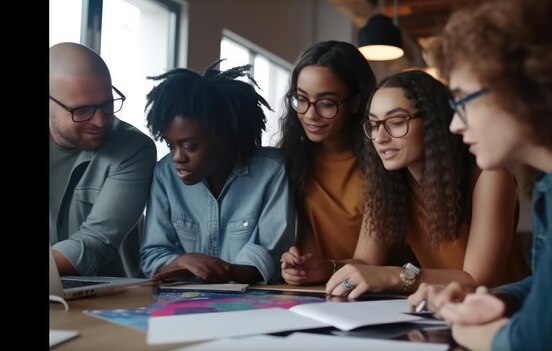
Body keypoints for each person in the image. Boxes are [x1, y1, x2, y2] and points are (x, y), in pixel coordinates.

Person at [407, 0, 552, 350]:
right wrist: (501, 299)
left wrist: (474, 335)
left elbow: (539, 343)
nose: (455, 124)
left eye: (462, 101)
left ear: (524, 88)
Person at [324, 70, 529, 299]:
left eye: (396, 122)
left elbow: (478, 279)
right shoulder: (389, 183)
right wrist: (324, 268)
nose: (380, 137)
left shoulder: (490, 176)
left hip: (506, 315)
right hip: (441, 311)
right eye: (373, 124)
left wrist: (393, 276)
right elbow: (365, 263)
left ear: (433, 123)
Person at [140, 62, 295, 284]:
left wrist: (223, 271)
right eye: (170, 144)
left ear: (223, 139)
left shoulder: (272, 170)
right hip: (181, 306)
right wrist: (181, 262)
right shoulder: (165, 174)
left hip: (252, 306)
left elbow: (273, 255)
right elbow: (153, 256)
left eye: (189, 146)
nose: (177, 157)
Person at [49, 42, 156, 277]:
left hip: (111, 301)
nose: (99, 121)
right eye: (82, 110)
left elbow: (95, 242)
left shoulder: (134, 149)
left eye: (107, 104)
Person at [278, 41, 379, 285]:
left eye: (326, 103)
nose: (310, 114)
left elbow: (372, 262)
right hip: (314, 291)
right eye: (301, 99)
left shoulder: (381, 162)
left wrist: (329, 268)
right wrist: (295, 264)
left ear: (355, 104)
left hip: (379, 293)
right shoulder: (288, 161)